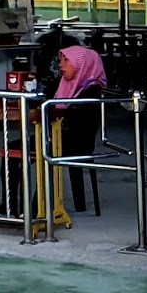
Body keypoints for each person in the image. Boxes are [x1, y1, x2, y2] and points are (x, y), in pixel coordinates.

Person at [52, 44, 108, 213]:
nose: (61, 64)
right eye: (60, 60)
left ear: (81, 64)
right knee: (13, 148)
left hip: (74, 142)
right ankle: (11, 205)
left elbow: (71, 121)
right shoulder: (66, 84)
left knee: (44, 153)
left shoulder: (91, 90)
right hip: (56, 136)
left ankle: (33, 208)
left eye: (66, 60)